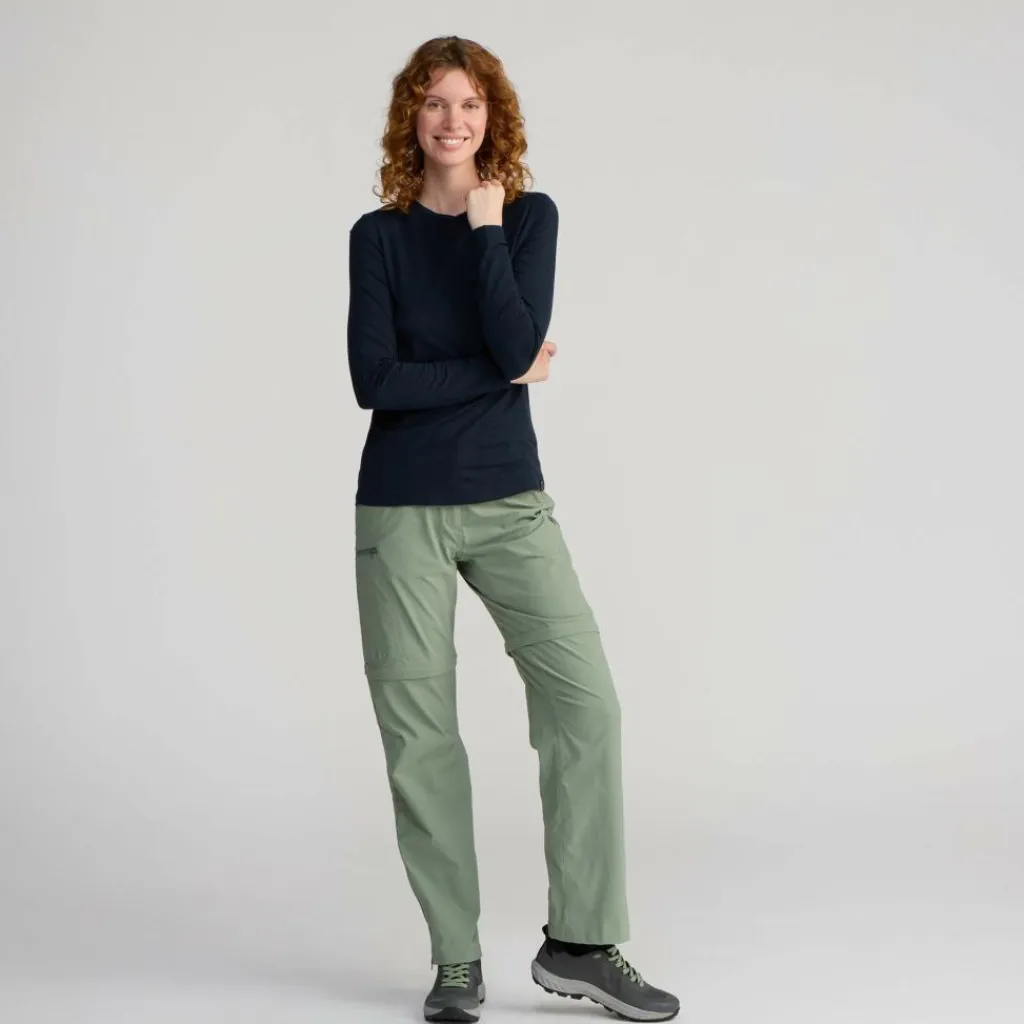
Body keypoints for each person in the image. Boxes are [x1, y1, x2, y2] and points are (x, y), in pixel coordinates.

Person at [346, 35, 680, 1024]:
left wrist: (487, 230)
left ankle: (581, 942)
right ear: (410, 117)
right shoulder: (377, 237)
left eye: (470, 104)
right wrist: (505, 370)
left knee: (586, 707)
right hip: (400, 508)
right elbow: (374, 381)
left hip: (509, 501)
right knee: (421, 739)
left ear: (493, 118)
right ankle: (456, 962)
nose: (451, 120)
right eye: (433, 103)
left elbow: (510, 332)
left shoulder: (530, 218)